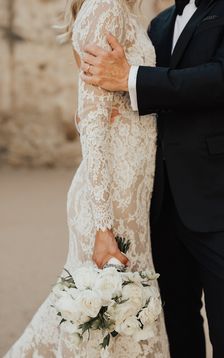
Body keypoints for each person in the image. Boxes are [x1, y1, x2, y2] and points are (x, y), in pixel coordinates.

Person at [4, 0, 170, 357]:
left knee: (119, 316)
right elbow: (92, 118)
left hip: (132, 195)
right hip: (110, 199)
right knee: (107, 317)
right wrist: (102, 226)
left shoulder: (126, 11)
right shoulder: (104, 7)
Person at [78, 0, 224, 357]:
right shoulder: (160, 23)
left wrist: (130, 77)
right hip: (160, 202)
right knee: (175, 327)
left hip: (222, 200)